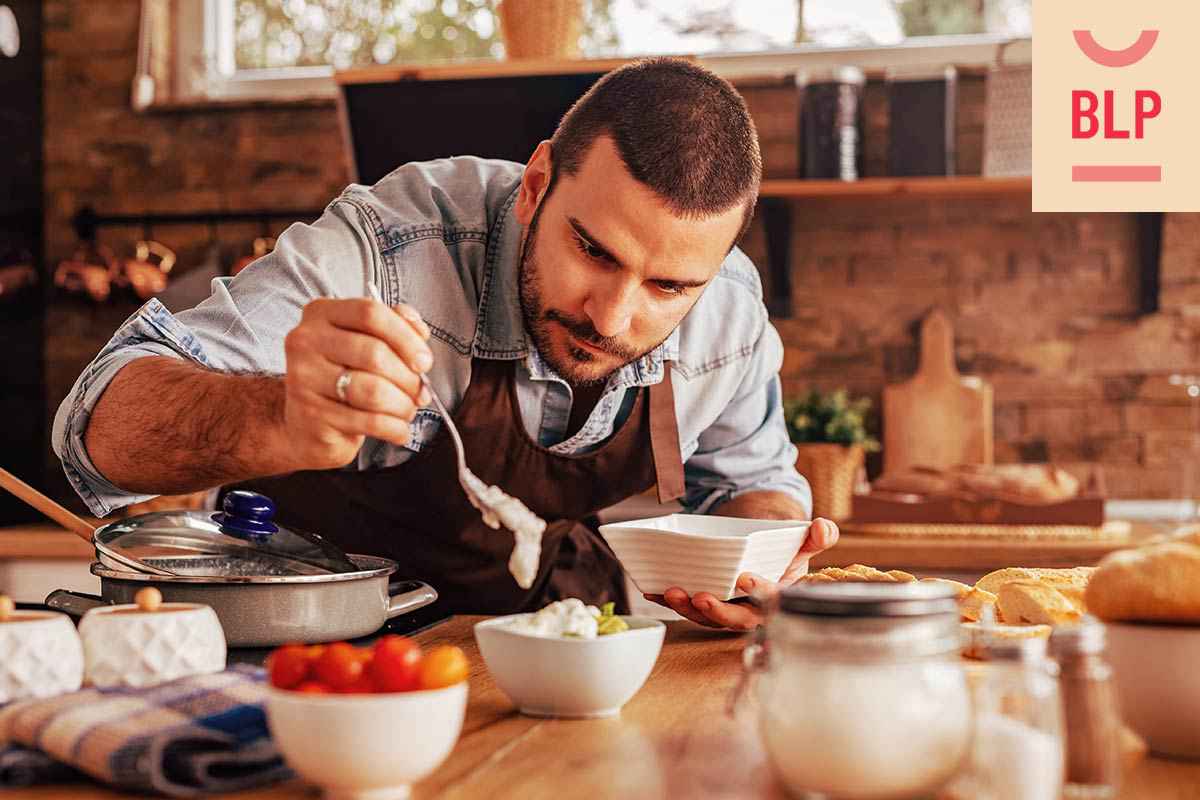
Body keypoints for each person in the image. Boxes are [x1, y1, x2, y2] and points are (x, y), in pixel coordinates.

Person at [53, 57, 838, 630]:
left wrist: (758, 563)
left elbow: (754, 485)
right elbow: (92, 432)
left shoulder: (727, 310)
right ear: (536, 184)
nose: (610, 316)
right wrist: (275, 416)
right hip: (316, 646)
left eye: (668, 288)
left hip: (547, 655)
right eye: (594, 252)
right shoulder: (393, 246)